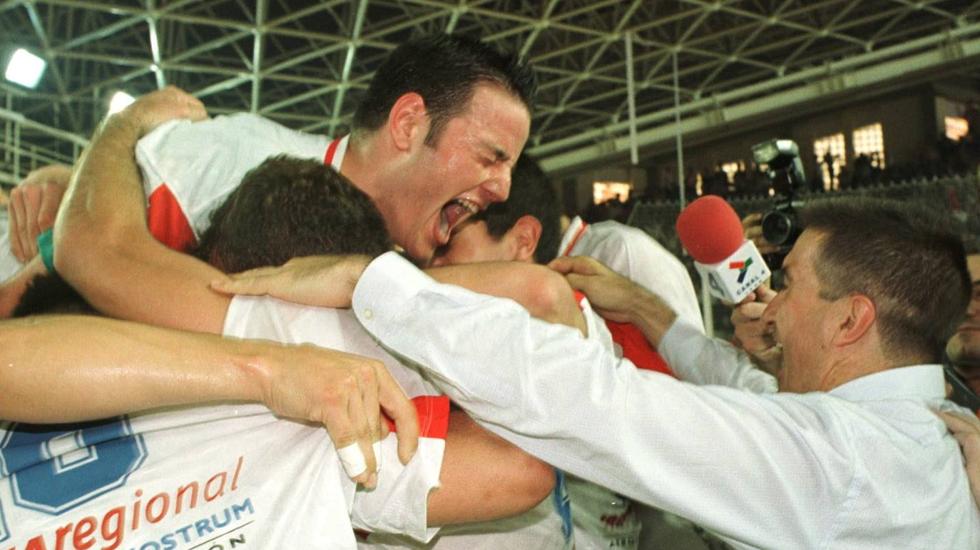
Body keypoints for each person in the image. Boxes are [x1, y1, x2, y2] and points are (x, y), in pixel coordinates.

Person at [223, 196, 979, 547]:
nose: (771, 307)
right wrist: (651, 314)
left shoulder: (849, 462)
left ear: (850, 321)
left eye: (793, 286)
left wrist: (373, 280)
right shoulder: (930, 434)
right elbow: (741, 390)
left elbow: (595, 403)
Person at [35, 87, 567, 548]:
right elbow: (539, 299)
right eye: (490, 156)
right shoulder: (341, 392)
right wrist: (368, 289)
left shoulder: (171, 313)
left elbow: (92, 247)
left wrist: (119, 126)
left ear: (212, 248)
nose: (497, 184)